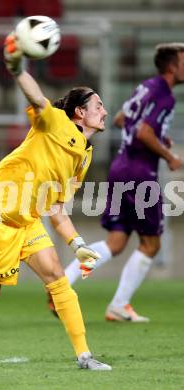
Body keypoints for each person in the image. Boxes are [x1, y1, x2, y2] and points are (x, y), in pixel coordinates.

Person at [0, 32, 111, 371]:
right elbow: (37, 98)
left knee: (56, 278)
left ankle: (84, 356)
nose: (104, 112)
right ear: (80, 112)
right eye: (98, 106)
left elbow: (57, 209)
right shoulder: (54, 123)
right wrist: (17, 66)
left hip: (27, 221)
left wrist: (77, 244)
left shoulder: (83, 156)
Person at [51, 42, 184, 322]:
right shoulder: (165, 96)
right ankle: (120, 305)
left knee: (115, 242)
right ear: (173, 65)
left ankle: (63, 283)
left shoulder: (145, 86)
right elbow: (144, 132)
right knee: (151, 244)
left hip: (120, 168)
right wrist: (169, 155)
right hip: (140, 175)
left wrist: (157, 138)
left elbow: (123, 119)